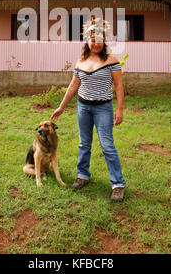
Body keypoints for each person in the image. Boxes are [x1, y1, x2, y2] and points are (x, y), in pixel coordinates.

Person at [50, 17, 126, 202]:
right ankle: (82, 175)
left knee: (107, 145)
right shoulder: (81, 61)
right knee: (84, 144)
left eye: (100, 40)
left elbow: (119, 86)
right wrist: (61, 106)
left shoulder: (110, 59)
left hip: (103, 109)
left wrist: (120, 109)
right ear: (87, 41)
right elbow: (73, 86)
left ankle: (118, 184)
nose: (96, 43)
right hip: (83, 107)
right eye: (93, 40)